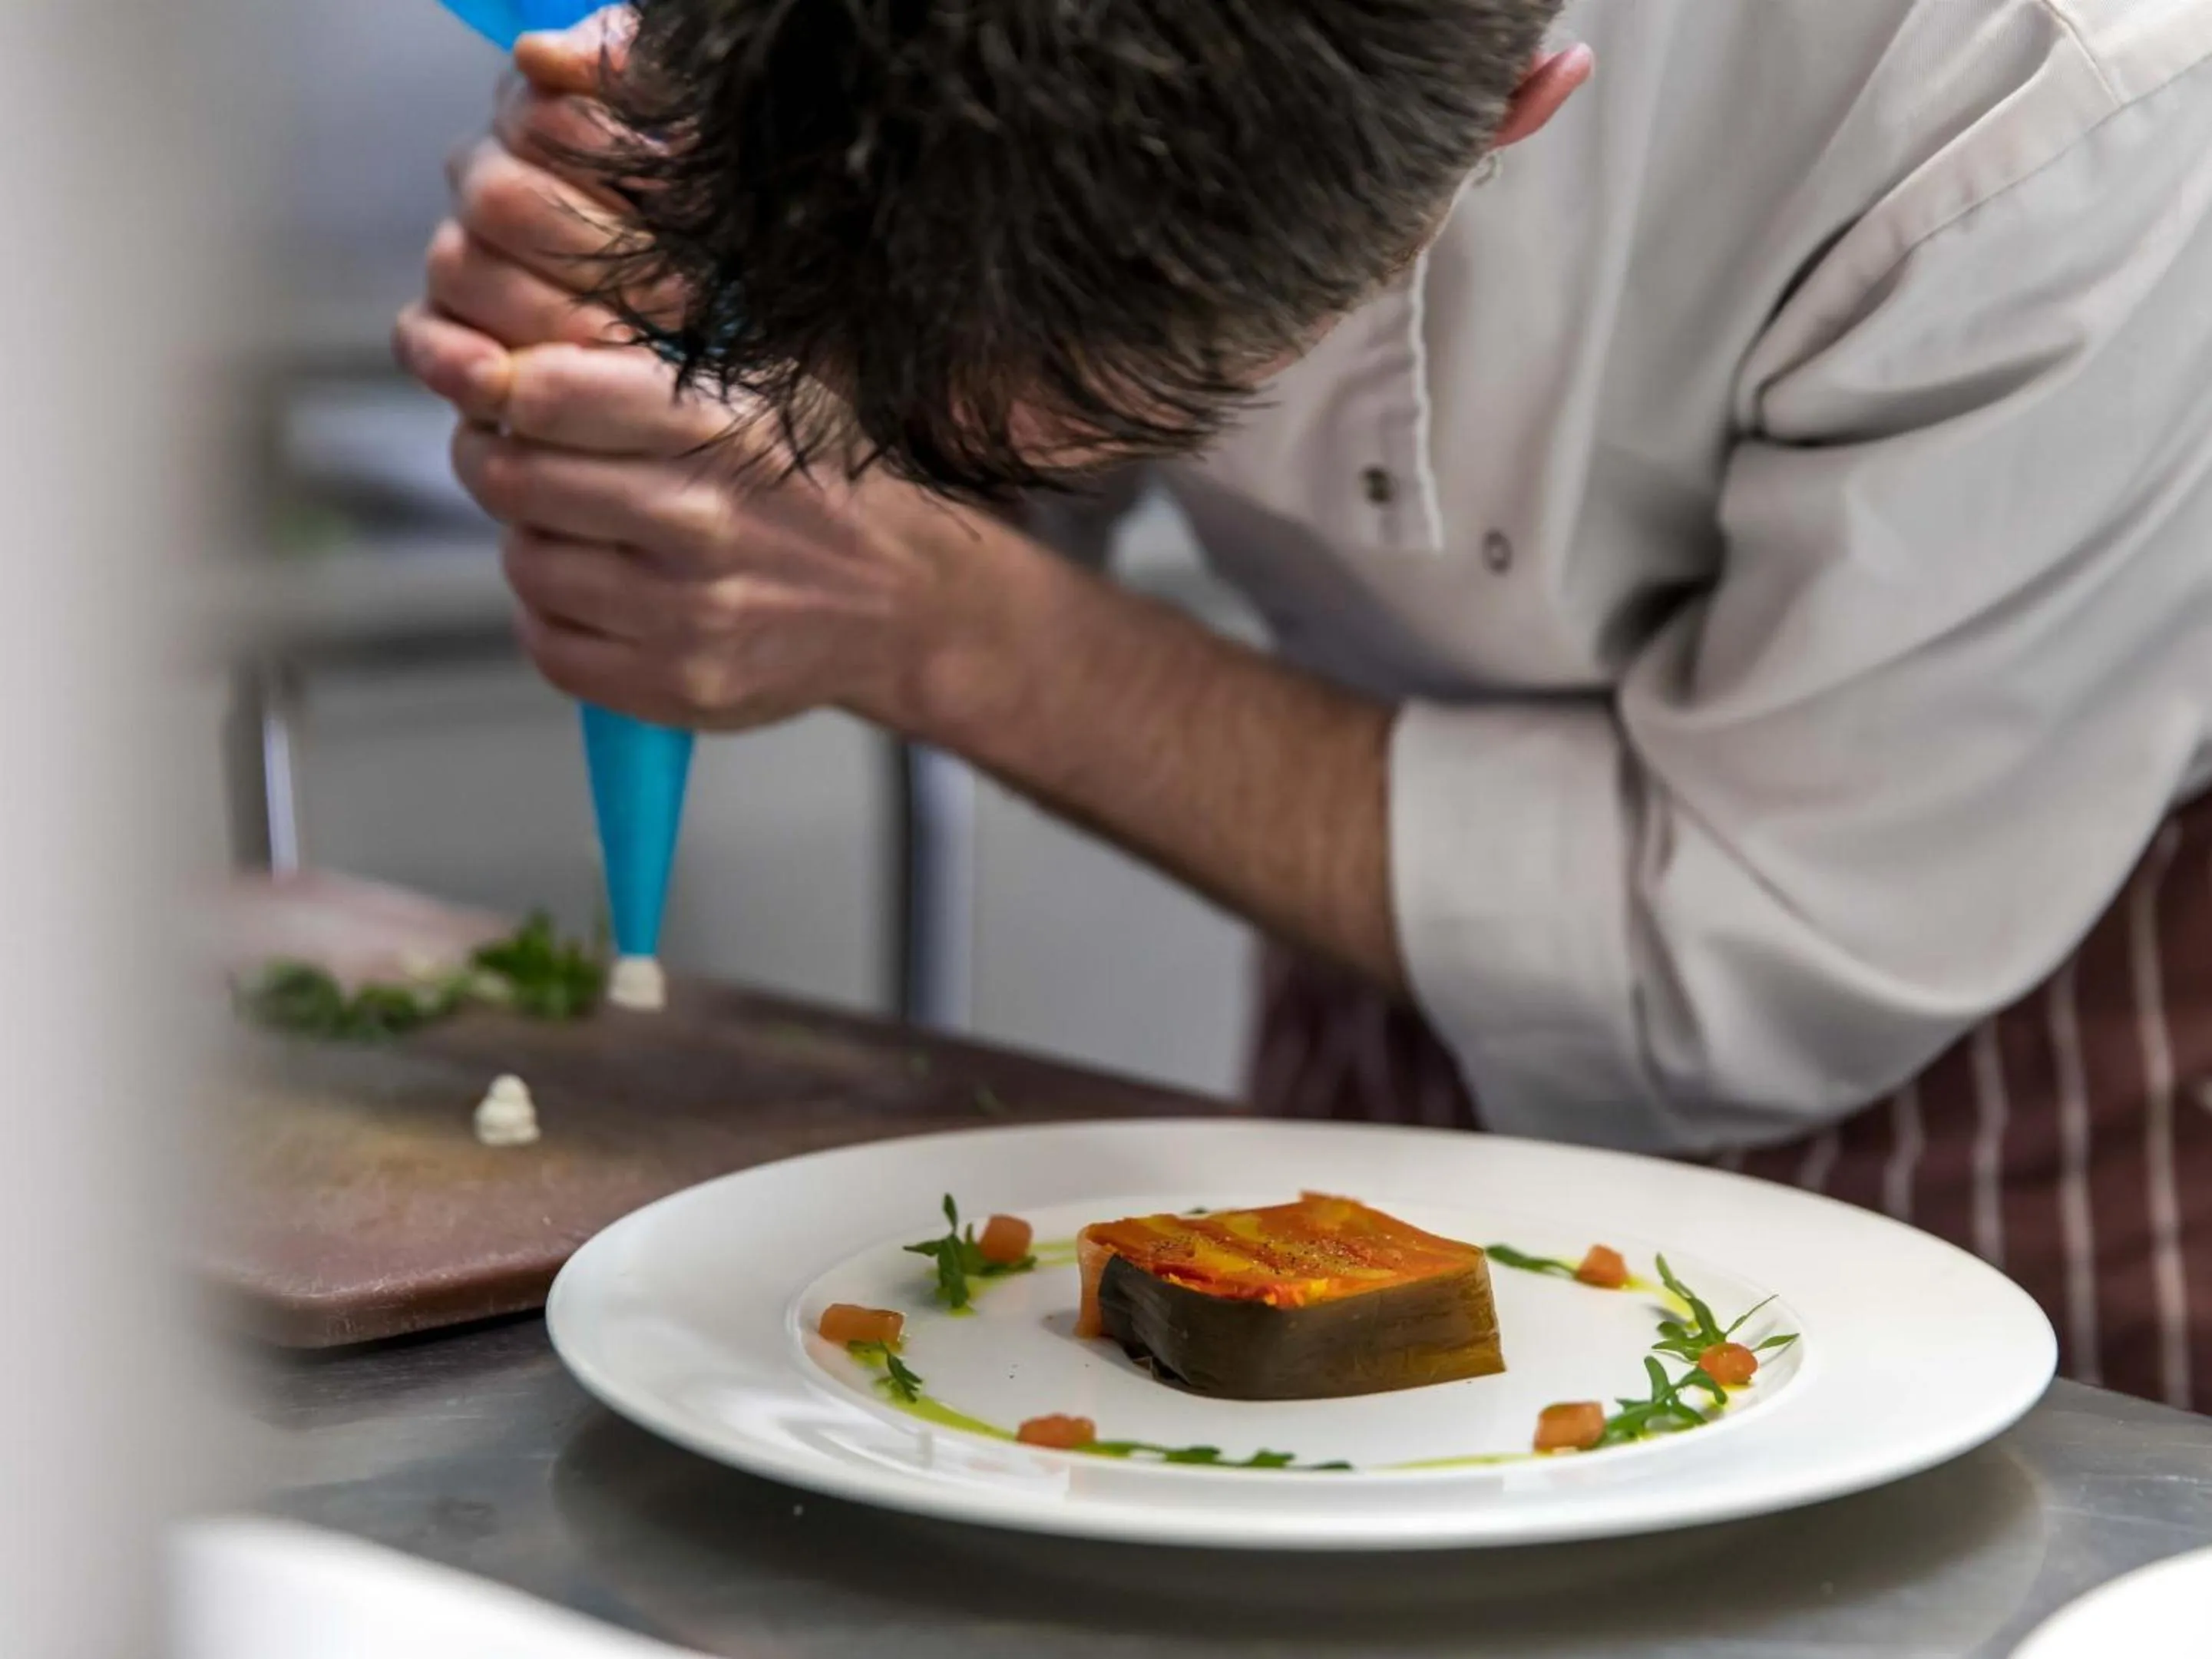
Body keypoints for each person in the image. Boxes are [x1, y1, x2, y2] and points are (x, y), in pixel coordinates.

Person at [395, 0, 2212, 1411]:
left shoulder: (2064, 97)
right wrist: (687, 271)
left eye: (1138, 391)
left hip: (2011, 1049)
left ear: (1516, 122)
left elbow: (1750, 947)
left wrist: (945, 631)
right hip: (1375, 979)